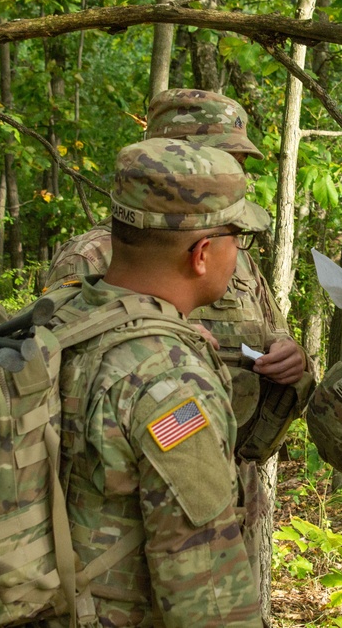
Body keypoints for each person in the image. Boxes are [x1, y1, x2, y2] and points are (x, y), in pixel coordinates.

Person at [44, 88, 312, 589]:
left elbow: (274, 332)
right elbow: (60, 392)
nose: (235, 172)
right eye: (220, 157)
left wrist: (293, 362)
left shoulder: (237, 255)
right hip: (129, 519)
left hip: (229, 491)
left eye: (237, 159)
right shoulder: (96, 257)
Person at [53, 138, 266, 626]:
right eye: (239, 238)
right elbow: (209, 602)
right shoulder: (170, 384)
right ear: (203, 254)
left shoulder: (59, 318)